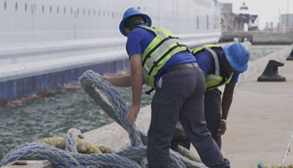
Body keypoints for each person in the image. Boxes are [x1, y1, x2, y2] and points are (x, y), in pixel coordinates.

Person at [101, 7, 230, 168]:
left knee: (158, 138)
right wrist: (108, 80)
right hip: (196, 75)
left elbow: (136, 71)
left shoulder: (133, 35)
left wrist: (135, 104)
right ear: (146, 22)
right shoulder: (158, 33)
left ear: (126, 29)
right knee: (199, 131)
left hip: (175, 80)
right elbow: (135, 78)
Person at [180, 43, 250, 150]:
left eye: (236, 70)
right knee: (184, 127)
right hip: (186, 90)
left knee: (215, 126)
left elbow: (228, 93)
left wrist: (223, 119)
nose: (233, 72)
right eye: (233, 68)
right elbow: (190, 92)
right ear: (226, 57)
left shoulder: (234, 66)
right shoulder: (204, 60)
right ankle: (180, 160)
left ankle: (215, 161)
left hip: (208, 89)